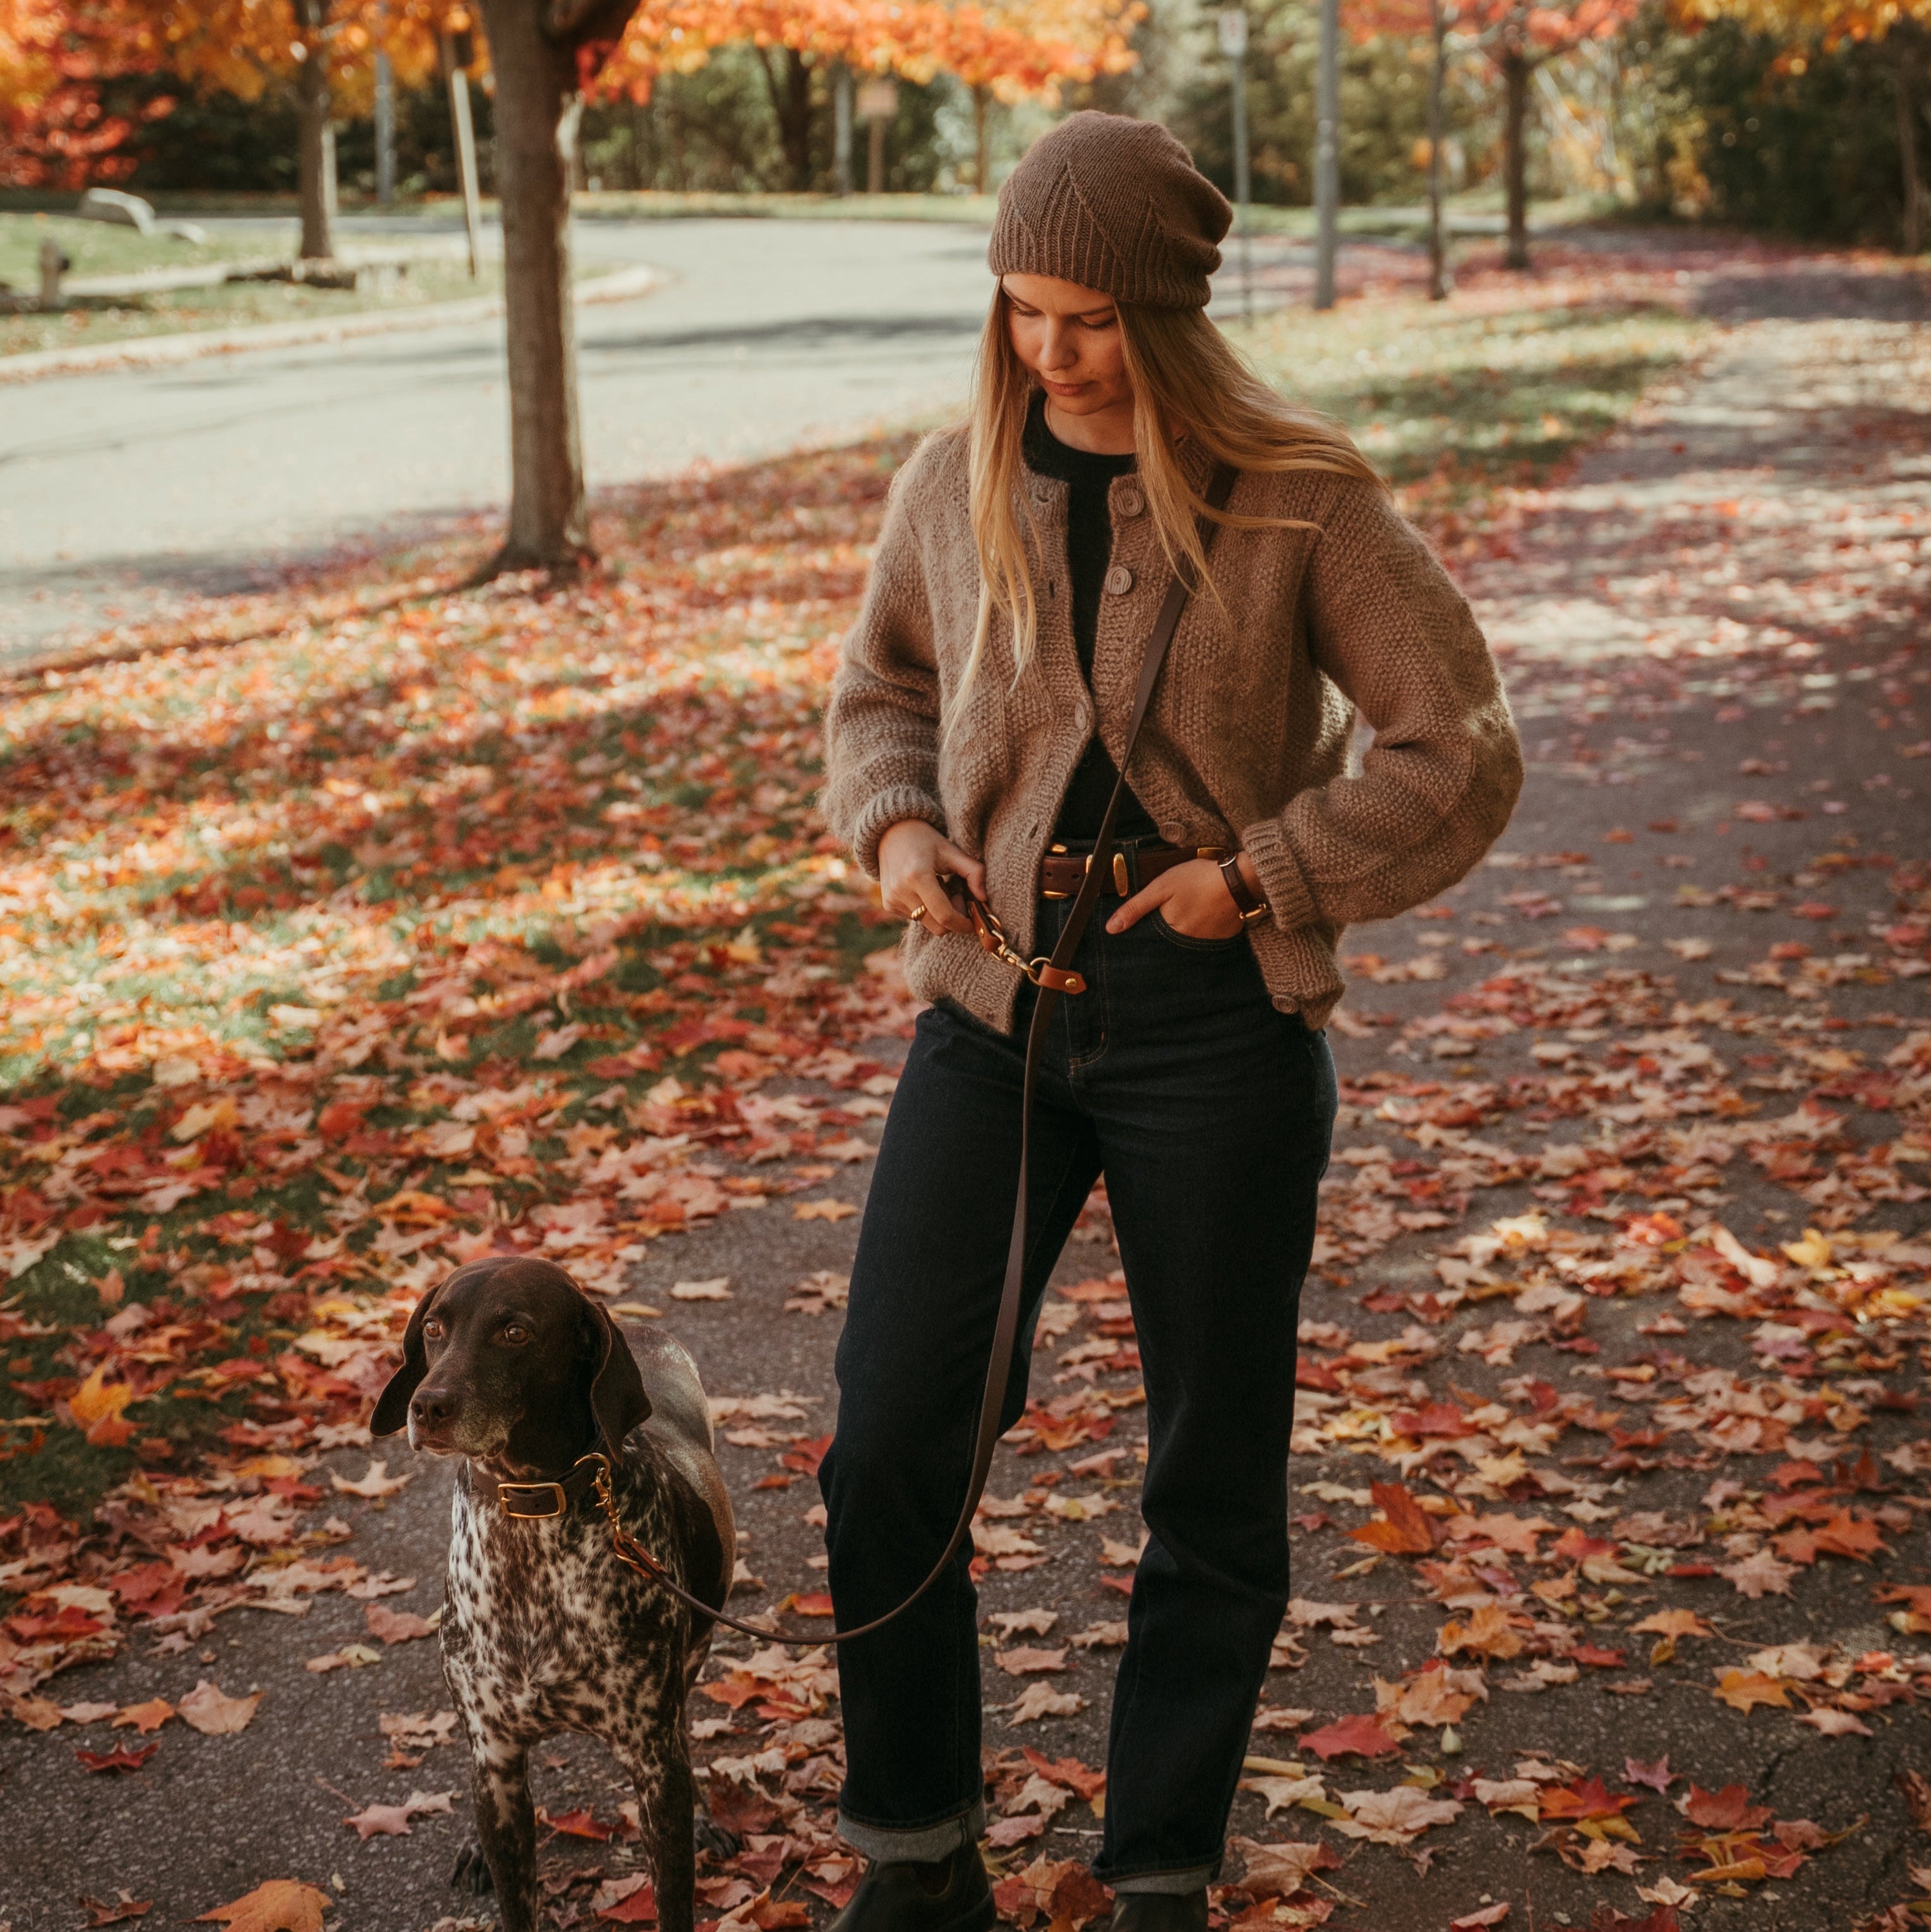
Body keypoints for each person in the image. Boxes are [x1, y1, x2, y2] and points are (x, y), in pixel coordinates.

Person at [817, 111, 1522, 1932]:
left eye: (1090, 317)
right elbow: (878, 693)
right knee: (890, 1432)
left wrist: (1266, 870)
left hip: (1214, 1034)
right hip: (990, 1019)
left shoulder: (1298, 495)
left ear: (1173, 313)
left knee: (1208, 1468)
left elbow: (1458, 748)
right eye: (1023, 309)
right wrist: (898, 831)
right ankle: (914, 1850)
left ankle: (1159, 1868)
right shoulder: (945, 478)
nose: (1049, 350)